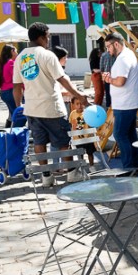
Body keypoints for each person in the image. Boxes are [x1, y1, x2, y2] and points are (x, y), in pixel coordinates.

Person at [12, 22, 89, 186]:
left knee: (39, 143)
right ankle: (71, 173)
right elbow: (62, 79)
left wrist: (18, 106)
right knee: (63, 142)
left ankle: (46, 177)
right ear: (41, 38)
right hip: (52, 107)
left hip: (31, 108)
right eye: (47, 37)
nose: (48, 40)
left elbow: (16, 87)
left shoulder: (20, 58)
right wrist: (79, 95)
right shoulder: (47, 55)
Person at [102, 32, 138, 170]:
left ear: (116, 44)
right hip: (127, 102)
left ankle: (129, 167)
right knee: (129, 134)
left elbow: (120, 81)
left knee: (119, 134)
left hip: (125, 104)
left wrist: (108, 79)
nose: (107, 50)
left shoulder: (123, 58)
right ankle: (133, 166)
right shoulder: (128, 55)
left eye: (108, 46)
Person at [69, 97, 95, 167]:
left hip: (88, 138)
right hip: (78, 138)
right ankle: (82, 166)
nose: (79, 106)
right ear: (73, 105)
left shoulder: (87, 113)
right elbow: (72, 124)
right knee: (80, 154)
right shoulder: (72, 114)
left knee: (90, 153)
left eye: (81, 104)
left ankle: (92, 165)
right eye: (77, 104)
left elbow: (92, 124)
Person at [0, 45, 18, 128]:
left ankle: (8, 131)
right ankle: (13, 133)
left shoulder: (3, 63)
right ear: (12, 51)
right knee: (18, 115)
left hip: (5, 91)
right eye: (16, 51)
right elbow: (17, 77)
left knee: (12, 114)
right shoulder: (10, 63)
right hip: (10, 91)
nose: (17, 53)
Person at [89, 42, 104, 106]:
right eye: (99, 52)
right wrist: (102, 70)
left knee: (102, 92)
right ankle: (96, 105)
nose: (101, 53)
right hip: (96, 76)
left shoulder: (100, 59)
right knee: (98, 92)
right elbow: (94, 70)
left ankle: (99, 105)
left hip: (99, 75)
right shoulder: (93, 60)